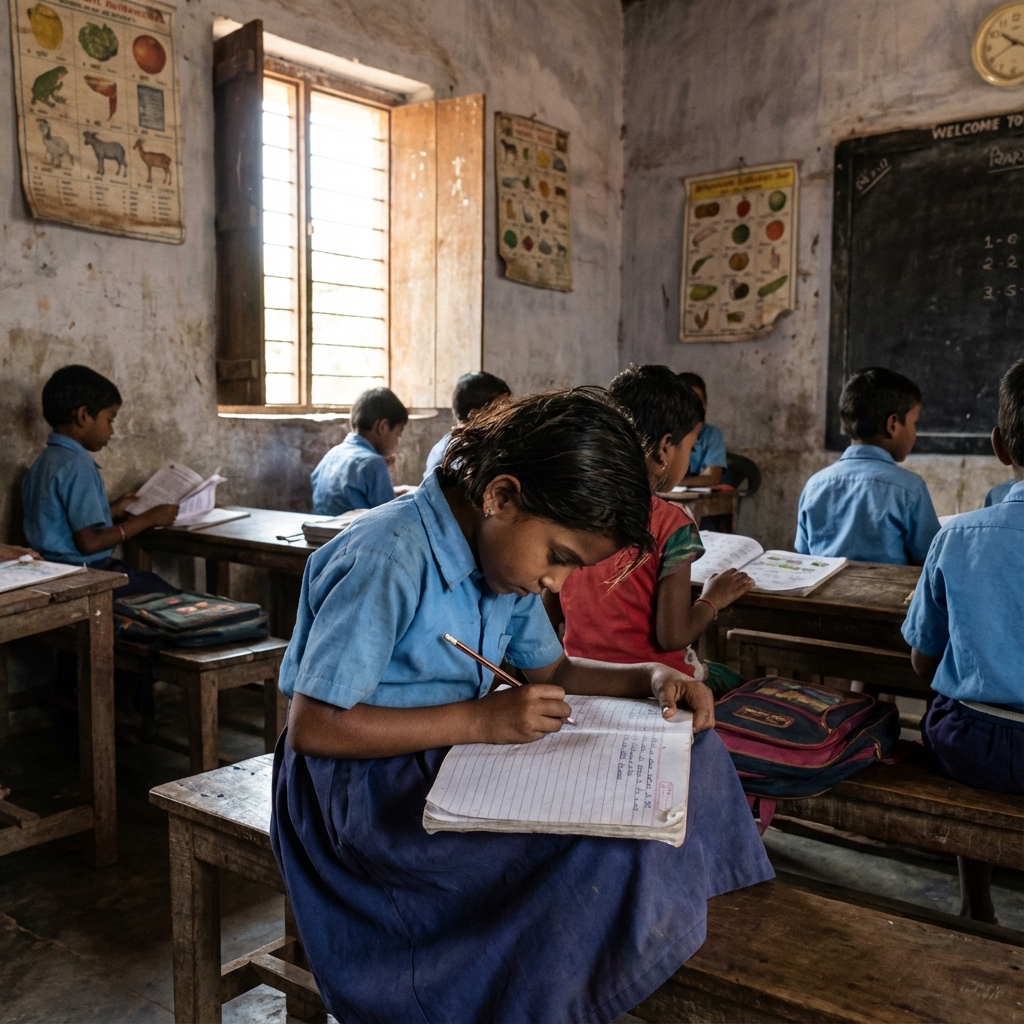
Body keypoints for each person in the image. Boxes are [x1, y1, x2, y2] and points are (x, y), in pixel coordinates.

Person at [271, 389, 773, 1023]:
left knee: (691, 750)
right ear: (501, 496)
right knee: (600, 849)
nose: (554, 585)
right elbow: (315, 727)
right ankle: (525, 997)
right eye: (559, 560)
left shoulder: (503, 561)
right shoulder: (388, 557)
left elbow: (556, 669)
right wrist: (481, 719)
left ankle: (643, 954)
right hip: (360, 792)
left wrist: (647, 677)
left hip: (449, 760)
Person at [902, 359, 1023, 923]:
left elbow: (923, 663)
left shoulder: (958, 538)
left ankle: (977, 902)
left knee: (946, 705)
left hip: (971, 746)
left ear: (1000, 445)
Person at [548, 365, 753, 699]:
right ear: (664, 448)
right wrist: (713, 598)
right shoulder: (672, 524)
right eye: (689, 447)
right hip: (658, 685)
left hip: (583, 679)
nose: (687, 456)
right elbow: (672, 637)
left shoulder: (574, 514)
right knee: (739, 683)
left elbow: (551, 611)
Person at [21, 365, 178, 594]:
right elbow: (90, 543)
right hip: (84, 573)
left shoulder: (44, 462)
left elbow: (62, 522)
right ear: (84, 416)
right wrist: (149, 518)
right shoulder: (78, 464)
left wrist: (112, 510)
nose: (112, 431)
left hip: (49, 572)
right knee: (170, 597)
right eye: (110, 420)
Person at [795, 367, 939, 565]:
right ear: (893, 425)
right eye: (915, 423)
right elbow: (931, 559)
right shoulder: (909, 488)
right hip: (888, 596)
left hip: (823, 595)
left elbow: (803, 555)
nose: (915, 433)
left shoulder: (815, 485)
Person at [311, 387, 411, 515]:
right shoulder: (374, 463)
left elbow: (346, 495)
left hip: (319, 532)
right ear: (383, 427)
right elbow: (388, 517)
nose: (397, 442)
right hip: (353, 534)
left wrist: (394, 491)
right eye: (398, 434)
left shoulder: (332, 455)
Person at [423, 371, 511, 479]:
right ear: (475, 415)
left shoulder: (485, 445)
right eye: (500, 410)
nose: (507, 416)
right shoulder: (456, 453)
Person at [677, 372, 726, 487]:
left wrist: (676, 484)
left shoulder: (712, 434)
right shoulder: (664, 434)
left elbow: (712, 478)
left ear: (706, 403)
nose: (695, 408)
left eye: (699, 401)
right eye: (688, 401)